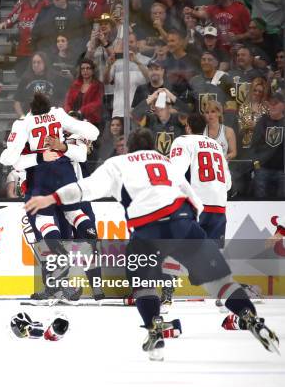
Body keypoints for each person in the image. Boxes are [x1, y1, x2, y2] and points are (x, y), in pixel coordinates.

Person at [25, 128, 279, 359]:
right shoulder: (166, 162)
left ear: (129, 147)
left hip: (148, 228)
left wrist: (51, 198)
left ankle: (155, 325)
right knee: (220, 282)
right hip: (183, 221)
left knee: (143, 283)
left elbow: (85, 189)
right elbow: (193, 199)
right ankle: (249, 317)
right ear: (153, 147)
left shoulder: (118, 162)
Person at [0, 93, 101, 300]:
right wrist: (61, 146)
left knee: (46, 231)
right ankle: (59, 283)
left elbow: (9, 159)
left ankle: (62, 284)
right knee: (72, 217)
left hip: (41, 179)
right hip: (66, 176)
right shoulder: (58, 115)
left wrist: (39, 155)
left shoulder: (24, 123)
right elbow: (93, 132)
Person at [170, 112, 231, 247]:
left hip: (196, 206)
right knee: (214, 257)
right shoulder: (216, 145)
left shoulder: (183, 141)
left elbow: (175, 174)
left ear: (188, 127)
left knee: (187, 255)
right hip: (219, 206)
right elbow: (228, 183)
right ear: (204, 128)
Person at [0, 0, 50, 77]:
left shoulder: (46, 5)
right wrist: (5, 24)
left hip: (40, 52)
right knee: (21, 79)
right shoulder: (22, 4)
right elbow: (11, 19)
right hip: (23, 52)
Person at [104, 33, 150, 118]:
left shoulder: (147, 60)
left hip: (140, 110)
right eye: (126, 43)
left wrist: (137, 62)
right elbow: (106, 81)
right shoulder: (116, 62)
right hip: (119, 110)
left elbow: (151, 80)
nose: (128, 45)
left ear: (137, 43)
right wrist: (108, 66)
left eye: (131, 42)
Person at [132, 87, 187, 156]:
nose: (159, 112)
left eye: (162, 109)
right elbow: (135, 114)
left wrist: (171, 96)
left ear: (169, 108)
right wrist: (152, 97)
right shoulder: (150, 120)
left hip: (175, 160)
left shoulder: (177, 119)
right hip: (156, 161)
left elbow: (188, 111)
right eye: (157, 109)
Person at [250, 92, 284, 198]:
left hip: (282, 170)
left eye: (276, 103)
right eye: (271, 103)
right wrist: (257, 165)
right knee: (260, 200)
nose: (272, 106)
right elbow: (253, 145)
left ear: (283, 105)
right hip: (263, 169)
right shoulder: (262, 121)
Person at [185, 0, 250, 52]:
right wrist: (191, 11)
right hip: (220, 51)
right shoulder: (213, 8)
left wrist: (237, 37)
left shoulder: (241, 9)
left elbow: (251, 33)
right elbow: (202, 14)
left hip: (238, 50)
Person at [189, 51, 237, 126]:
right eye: (203, 59)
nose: (206, 62)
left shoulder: (226, 80)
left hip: (220, 125)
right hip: (200, 126)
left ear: (216, 63)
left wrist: (226, 125)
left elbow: (232, 105)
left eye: (209, 60)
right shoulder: (194, 81)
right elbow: (190, 106)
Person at [14, 52, 67, 118]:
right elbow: (17, 102)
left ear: (45, 63)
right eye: (34, 62)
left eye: (39, 62)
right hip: (30, 118)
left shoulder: (55, 78)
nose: (36, 65)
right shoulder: (25, 79)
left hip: (51, 118)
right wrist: (22, 117)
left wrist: (58, 115)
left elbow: (63, 99)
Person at [63, 59, 104, 126]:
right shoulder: (75, 85)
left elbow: (97, 103)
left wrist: (81, 111)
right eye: (83, 69)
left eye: (88, 68)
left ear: (93, 71)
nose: (85, 71)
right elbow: (67, 101)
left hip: (91, 121)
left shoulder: (98, 85)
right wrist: (70, 113)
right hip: (73, 119)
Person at [238, 77, 269, 153]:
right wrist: (246, 126)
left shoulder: (267, 108)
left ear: (263, 93)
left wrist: (256, 126)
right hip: (244, 147)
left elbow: (269, 130)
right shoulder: (243, 107)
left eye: (260, 91)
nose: (257, 93)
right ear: (251, 90)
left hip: (261, 147)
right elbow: (238, 130)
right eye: (255, 90)